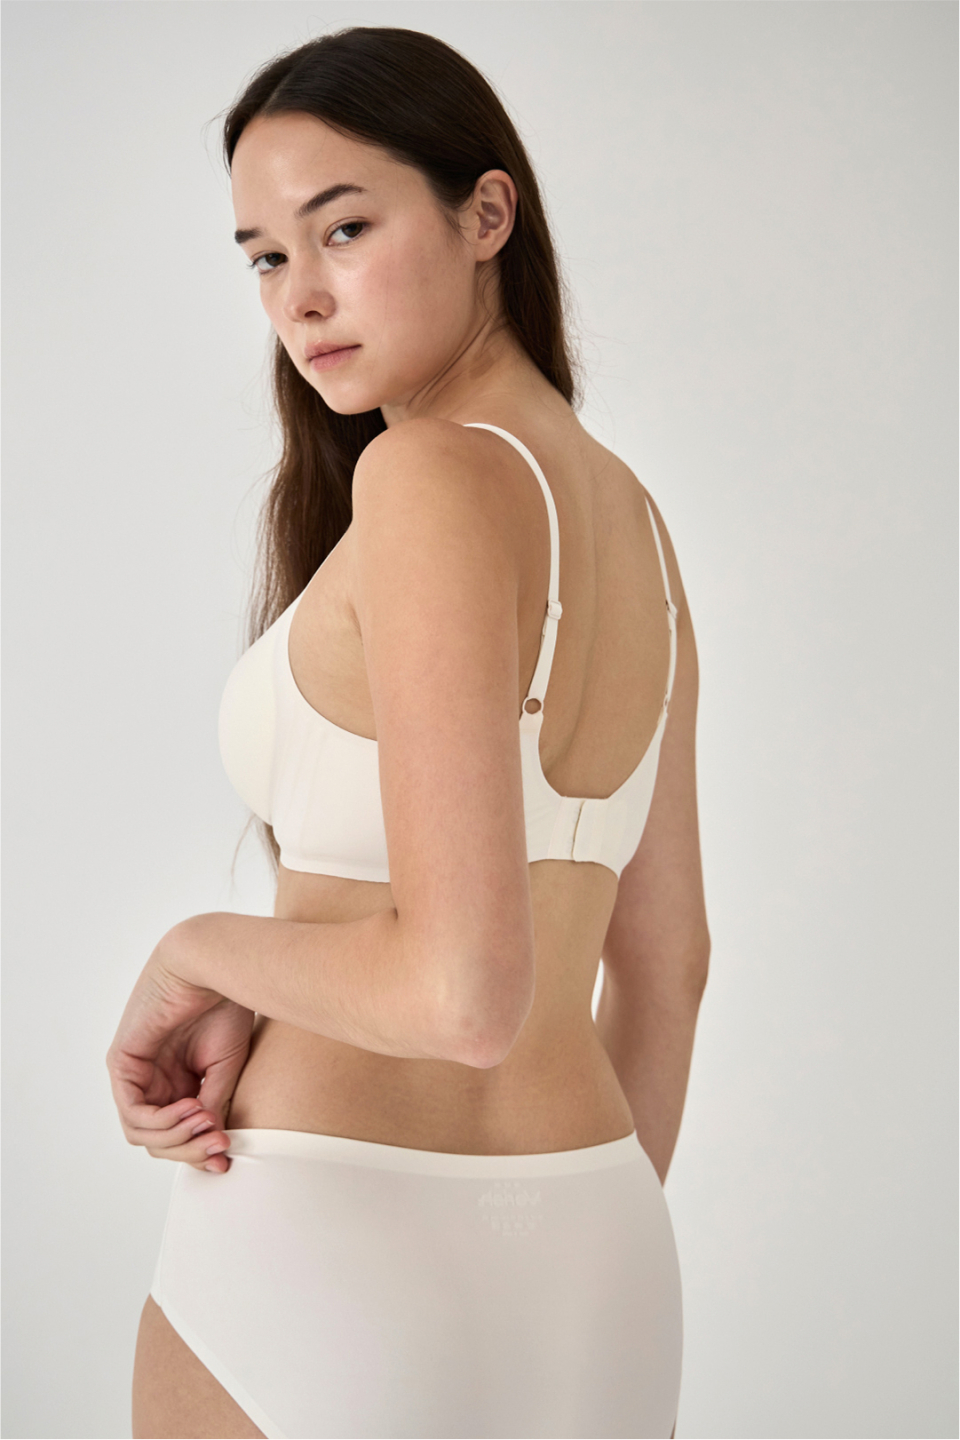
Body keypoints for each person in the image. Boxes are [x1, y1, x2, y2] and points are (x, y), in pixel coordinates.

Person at [106, 25, 710, 1440]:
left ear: (486, 215)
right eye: (265, 257)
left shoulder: (427, 474)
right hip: (600, 1249)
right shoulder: (635, 522)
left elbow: (462, 995)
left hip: (330, 1244)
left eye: (345, 228)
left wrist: (195, 950)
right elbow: (669, 965)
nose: (301, 297)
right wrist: (558, 1243)